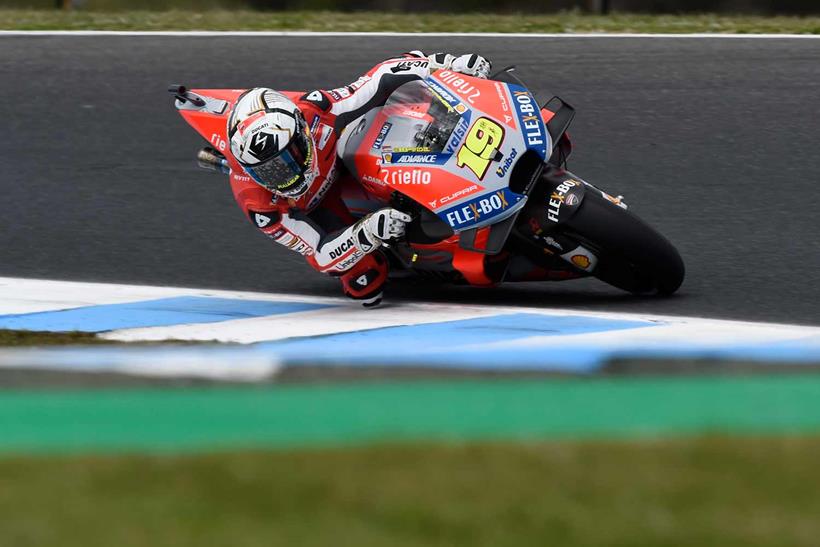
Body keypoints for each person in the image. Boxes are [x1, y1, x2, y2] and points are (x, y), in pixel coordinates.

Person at [227, 51, 491, 307]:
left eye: (289, 158)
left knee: (414, 101)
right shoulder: (261, 207)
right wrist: (366, 232)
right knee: (365, 280)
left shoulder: (317, 111)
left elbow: (381, 77)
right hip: (318, 207)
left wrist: (445, 65)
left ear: (302, 132)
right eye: (268, 171)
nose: (285, 175)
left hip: (343, 160)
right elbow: (319, 253)